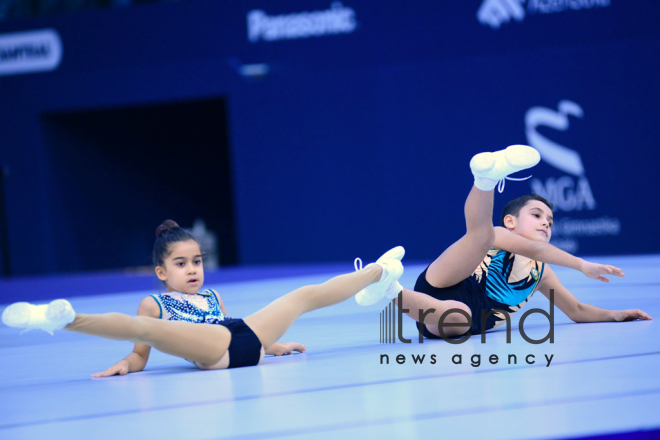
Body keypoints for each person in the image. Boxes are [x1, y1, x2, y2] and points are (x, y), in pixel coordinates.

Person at [2, 221, 405, 373]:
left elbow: (231, 327)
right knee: (147, 327)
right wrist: (126, 365)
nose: (193, 269)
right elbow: (141, 352)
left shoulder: (212, 294)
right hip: (212, 352)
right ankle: (59, 320)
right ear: (161, 273)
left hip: (245, 340)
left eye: (196, 261)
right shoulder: (154, 304)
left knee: (302, 295)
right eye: (181, 264)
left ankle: (378, 274)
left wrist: (273, 342)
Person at [374, 144, 652, 341]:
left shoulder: (541, 274)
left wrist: (616, 315)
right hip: (447, 280)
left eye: (550, 221)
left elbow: (577, 310)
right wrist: (582, 265)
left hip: (454, 319)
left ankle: (387, 284)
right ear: (511, 222)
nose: (546, 222)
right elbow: (533, 248)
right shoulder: (501, 234)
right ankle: (485, 179)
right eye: (537, 215)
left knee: (458, 319)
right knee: (482, 236)